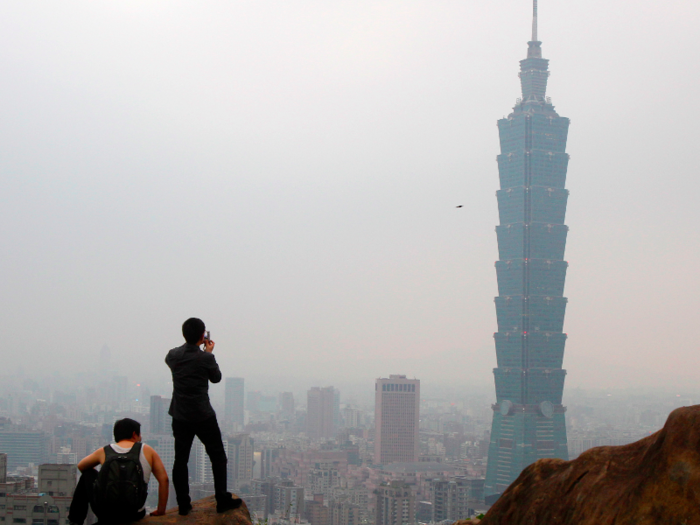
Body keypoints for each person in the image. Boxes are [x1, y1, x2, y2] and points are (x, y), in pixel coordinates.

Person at [166, 317, 242, 515]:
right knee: (218, 457)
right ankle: (222, 499)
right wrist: (207, 352)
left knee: (180, 460)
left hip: (180, 414)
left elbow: (174, 362)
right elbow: (216, 378)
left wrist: (197, 350)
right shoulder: (205, 358)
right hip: (202, 415)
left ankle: (183, 504)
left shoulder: (173, 355)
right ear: (202, 336)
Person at [68, 418, 169, 524]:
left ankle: (75, 521)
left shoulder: (105, 451)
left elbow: (81, 466)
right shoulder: (147, 450)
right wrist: (161, 510)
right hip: (134, 513)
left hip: (106, 513)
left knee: (87, 474)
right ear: (134, 434)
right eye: (140, 435)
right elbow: (164, 480)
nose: (141, 438)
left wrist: (100, 479)